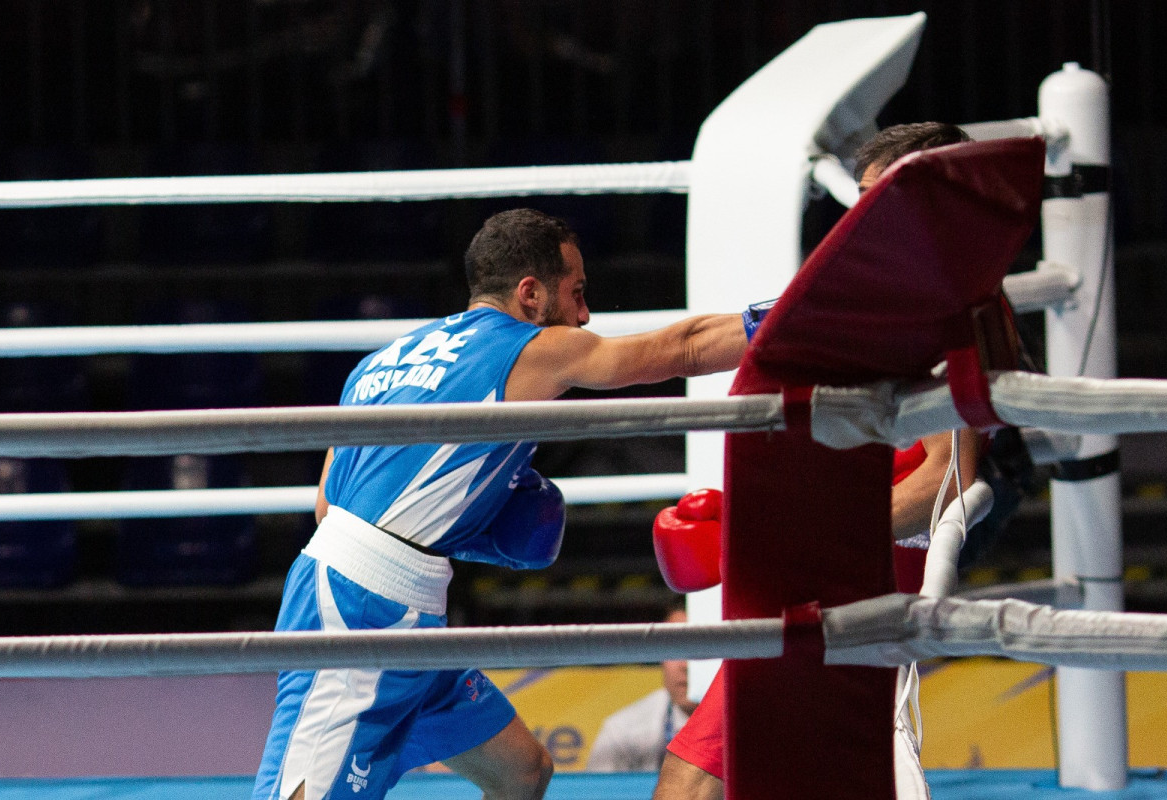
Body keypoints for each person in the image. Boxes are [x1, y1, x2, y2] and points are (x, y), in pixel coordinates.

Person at [252, 207, 753, 800]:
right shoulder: (530, 348)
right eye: (577, 293)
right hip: (358, 609)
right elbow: (687, 349)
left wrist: (459, 525)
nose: (585, 314)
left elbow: (326, 508)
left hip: (394, 597)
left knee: (521, 771)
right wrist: (792, 319)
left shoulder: (382, 362)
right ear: (530, 294)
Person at [649, 122, 986, 800]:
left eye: (879, 196)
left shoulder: (959, 309)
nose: (860, 215)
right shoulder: (846, 298)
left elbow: (950, 481)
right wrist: (584, 367)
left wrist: (812, 536)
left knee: (706, 782)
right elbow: (701, 341)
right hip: (803, 584)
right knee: (694, 780)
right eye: (860, 196)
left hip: (867, 592)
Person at [586, 606, 698, 773]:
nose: (685, 665)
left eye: (701, 649)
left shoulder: (750, 729)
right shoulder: (621, 732)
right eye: (676, 647)